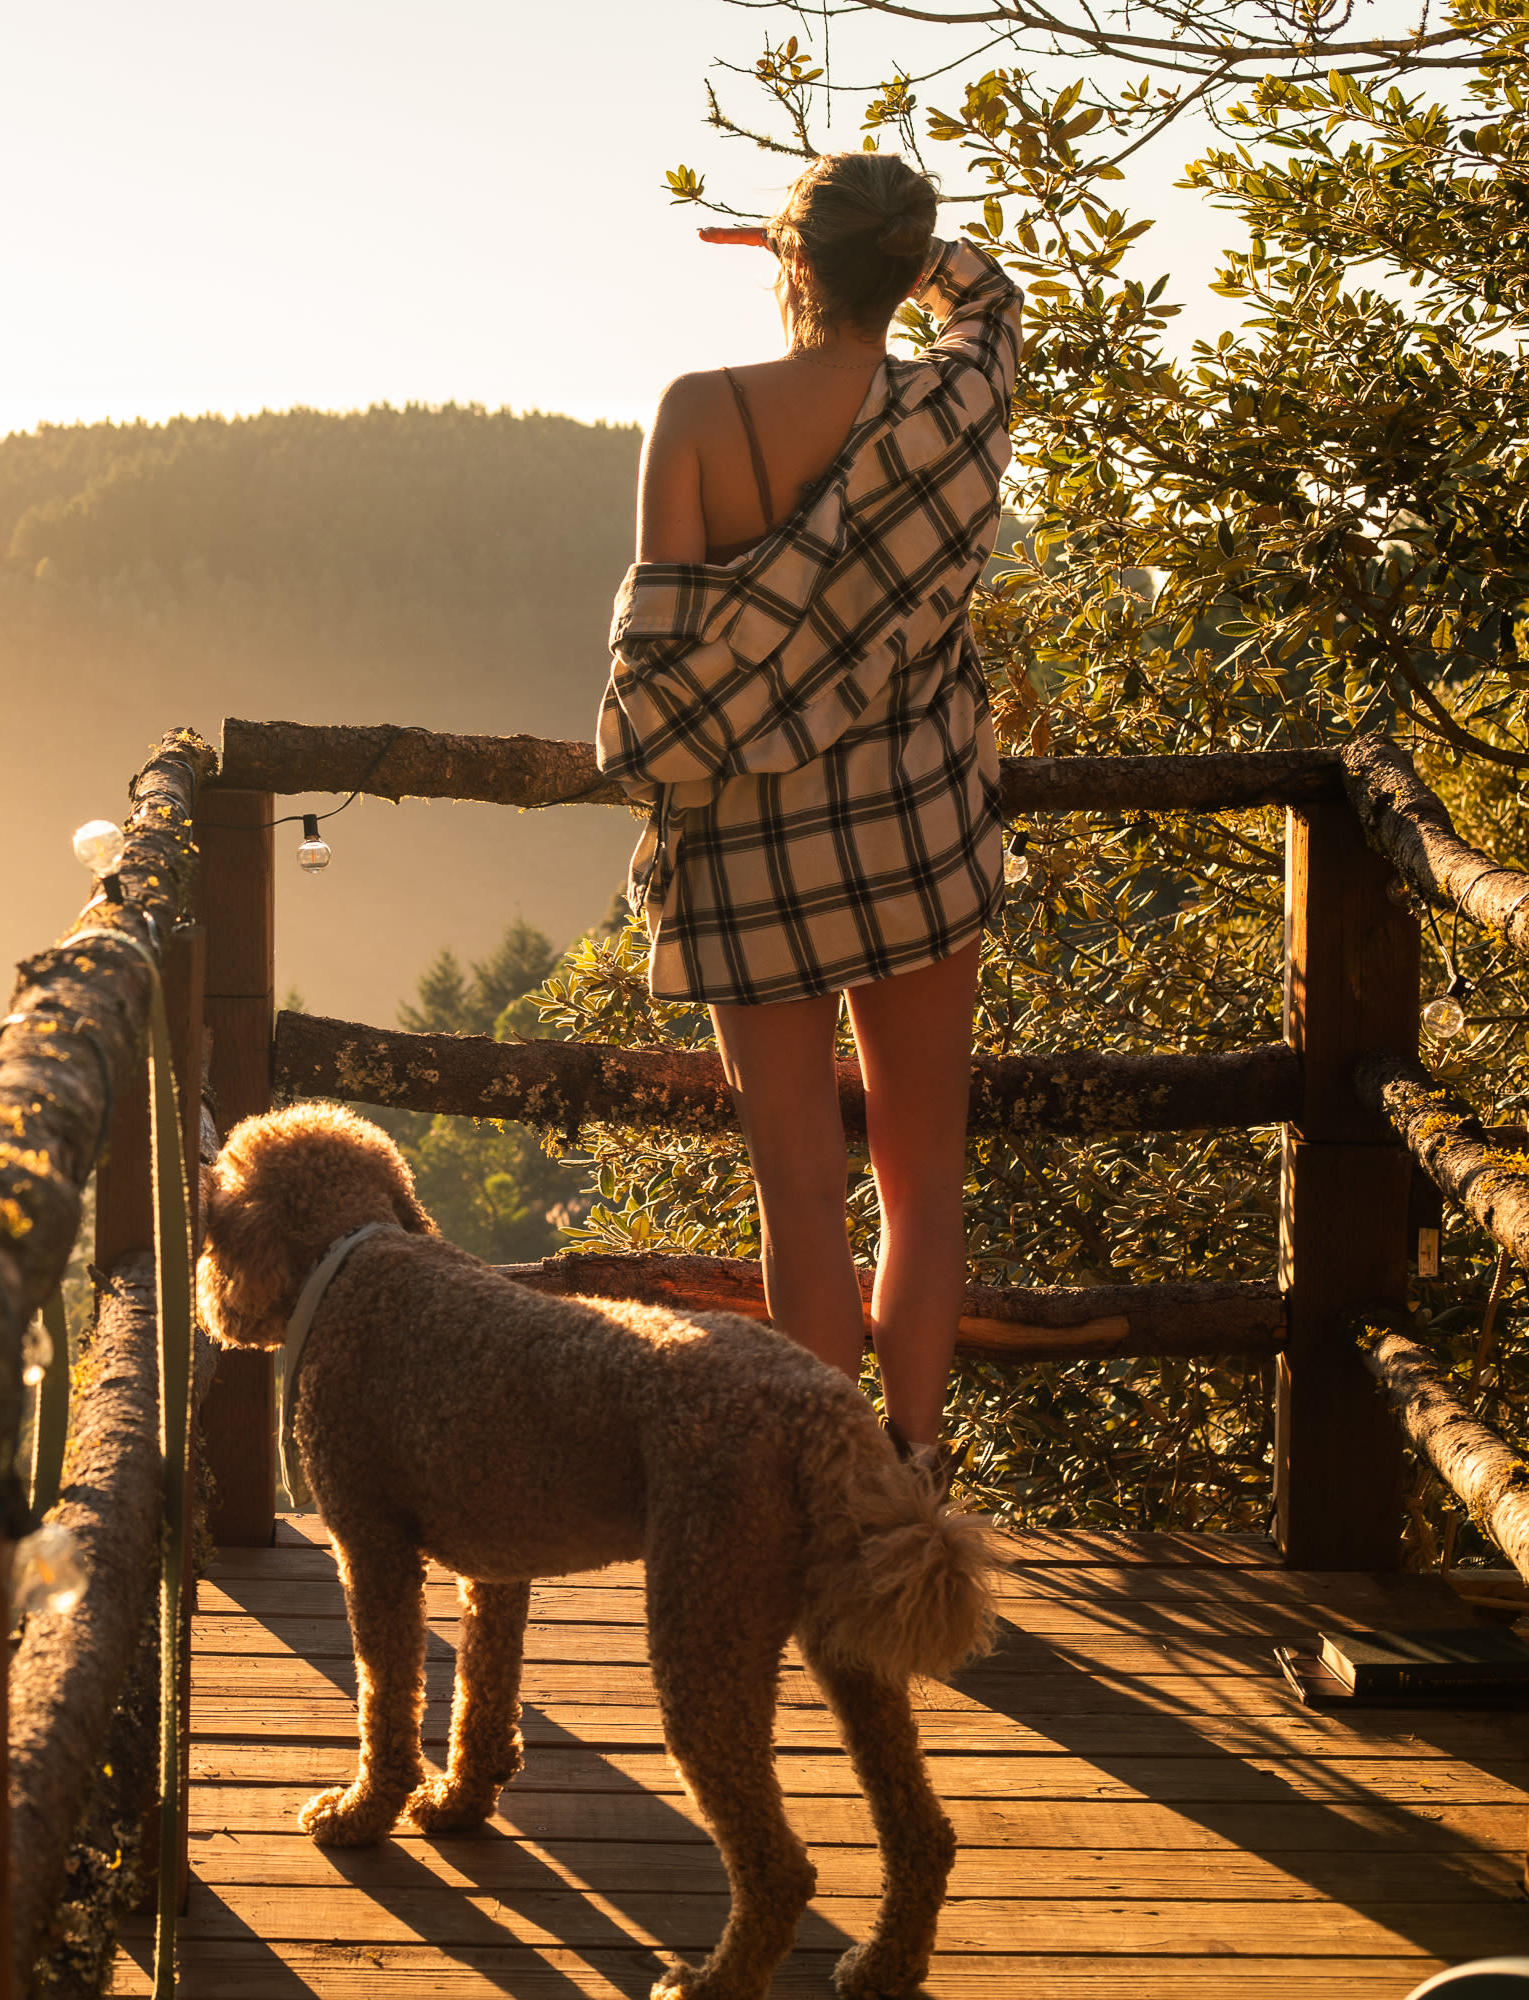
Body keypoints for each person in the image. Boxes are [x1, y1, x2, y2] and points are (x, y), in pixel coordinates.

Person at [595, 151, 1022, 1465]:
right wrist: (901, 251)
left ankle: (830, 1489)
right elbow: (989, 299)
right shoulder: (953, 405)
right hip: (916, 834)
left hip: (747, 849)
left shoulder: (701, 412)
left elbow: (661, 679)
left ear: (793, 263)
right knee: (922, 1182)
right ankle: (912, 1474)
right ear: (898, 262)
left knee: (799, 1194)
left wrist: (801, 241)